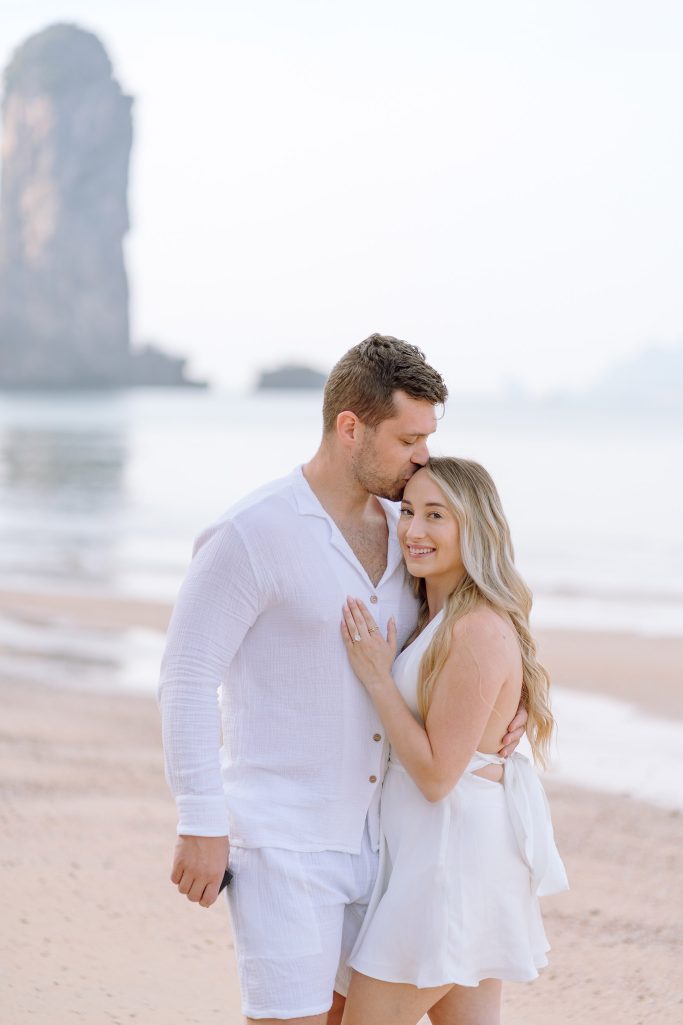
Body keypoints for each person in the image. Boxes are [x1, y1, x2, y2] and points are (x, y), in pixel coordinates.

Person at [158, 335, 528, 1025]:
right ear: (349, 427)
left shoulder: (407, 530)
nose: (422, 456)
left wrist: (518, 704)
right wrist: (199, 819)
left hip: (389, 844)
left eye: (428, 438)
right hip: (285, 843)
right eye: (408, 437)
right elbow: (185, 677)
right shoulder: (250, 532)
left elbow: (471, 626)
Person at [338, 456, 569, 1025]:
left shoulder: (476, 628)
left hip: (451, 863)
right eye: (409, 512)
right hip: (440, 855)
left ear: (476, 528)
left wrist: (375, 677)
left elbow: (439, 777)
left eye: (436, 515)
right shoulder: (436, 618)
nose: (414, 531)